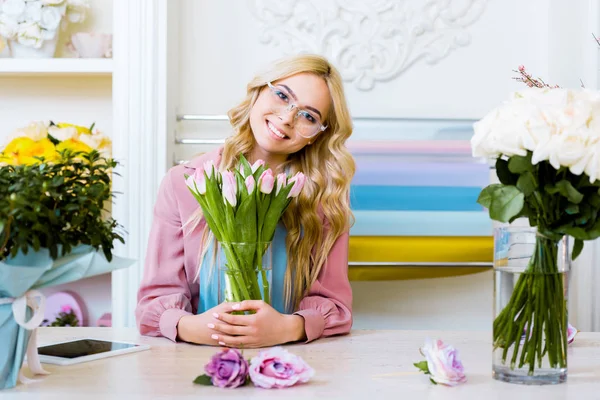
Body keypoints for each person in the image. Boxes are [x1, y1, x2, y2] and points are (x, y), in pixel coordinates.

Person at [135, 54, 355, 348]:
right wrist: (194, 328)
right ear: (258, 91)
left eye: (309, 117)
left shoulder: (324, 198)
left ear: (316, 136)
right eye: (281, 95)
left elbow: (336, 307)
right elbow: (154, 303)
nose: (287, 118)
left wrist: (289, 328)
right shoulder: (183, 184)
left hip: (290, 359)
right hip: (200, 358)